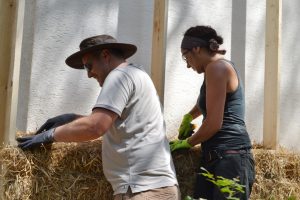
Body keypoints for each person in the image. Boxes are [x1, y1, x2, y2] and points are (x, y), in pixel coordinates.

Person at [17, 35, 180, 200]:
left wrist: (50, 135)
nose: (88, 74)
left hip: (142, 189)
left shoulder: (119, 76)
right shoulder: (136, 73)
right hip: (154, 187)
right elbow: (117, 122)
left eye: (89, 66)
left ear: (105, 55)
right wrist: (72, 119)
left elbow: (95, 127)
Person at [169, 26, 255, 200]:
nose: (187, 64)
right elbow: (209, 102)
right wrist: (189, 116)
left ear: (196, 49)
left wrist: (187, 143)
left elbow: (214, 123)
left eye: (186, 57)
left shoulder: (216, 68)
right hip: (219, 156)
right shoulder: (217, 67)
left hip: (230, 156)